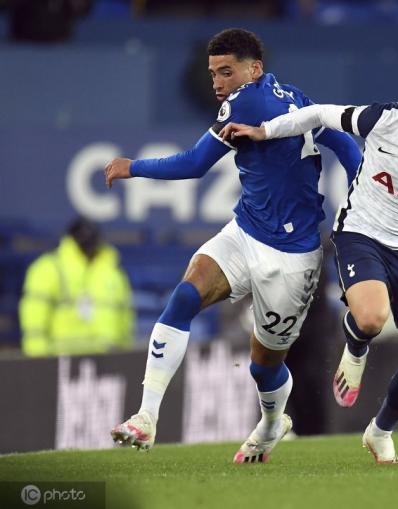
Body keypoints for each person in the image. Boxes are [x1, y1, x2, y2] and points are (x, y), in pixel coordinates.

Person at [105, 28, 362, 462]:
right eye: (213, 74)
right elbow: (344, 143)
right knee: (184, 297)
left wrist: (134, 166)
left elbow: (194, 164)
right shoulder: (296, 98)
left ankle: (272, 422)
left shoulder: (245, 102)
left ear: (254, 69)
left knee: (264, 365)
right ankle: (146, 417)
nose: (218, 83)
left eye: (227, 72)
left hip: (293, 257)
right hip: (245, 232)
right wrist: (360, 193)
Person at [221, 60, 398, 463]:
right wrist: (265, 131)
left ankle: (380, 431)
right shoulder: (384, 119)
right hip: (362, 233)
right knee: (372, 318)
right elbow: (319, 114)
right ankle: (356, 347)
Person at [19, 216, 134, 356]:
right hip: (62, 360)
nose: (87, 239)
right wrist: (37, 359)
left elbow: (126, 319)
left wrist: (124, 355)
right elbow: (34, 318)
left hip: (108, 359)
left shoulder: (113, 272)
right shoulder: (48, 269)